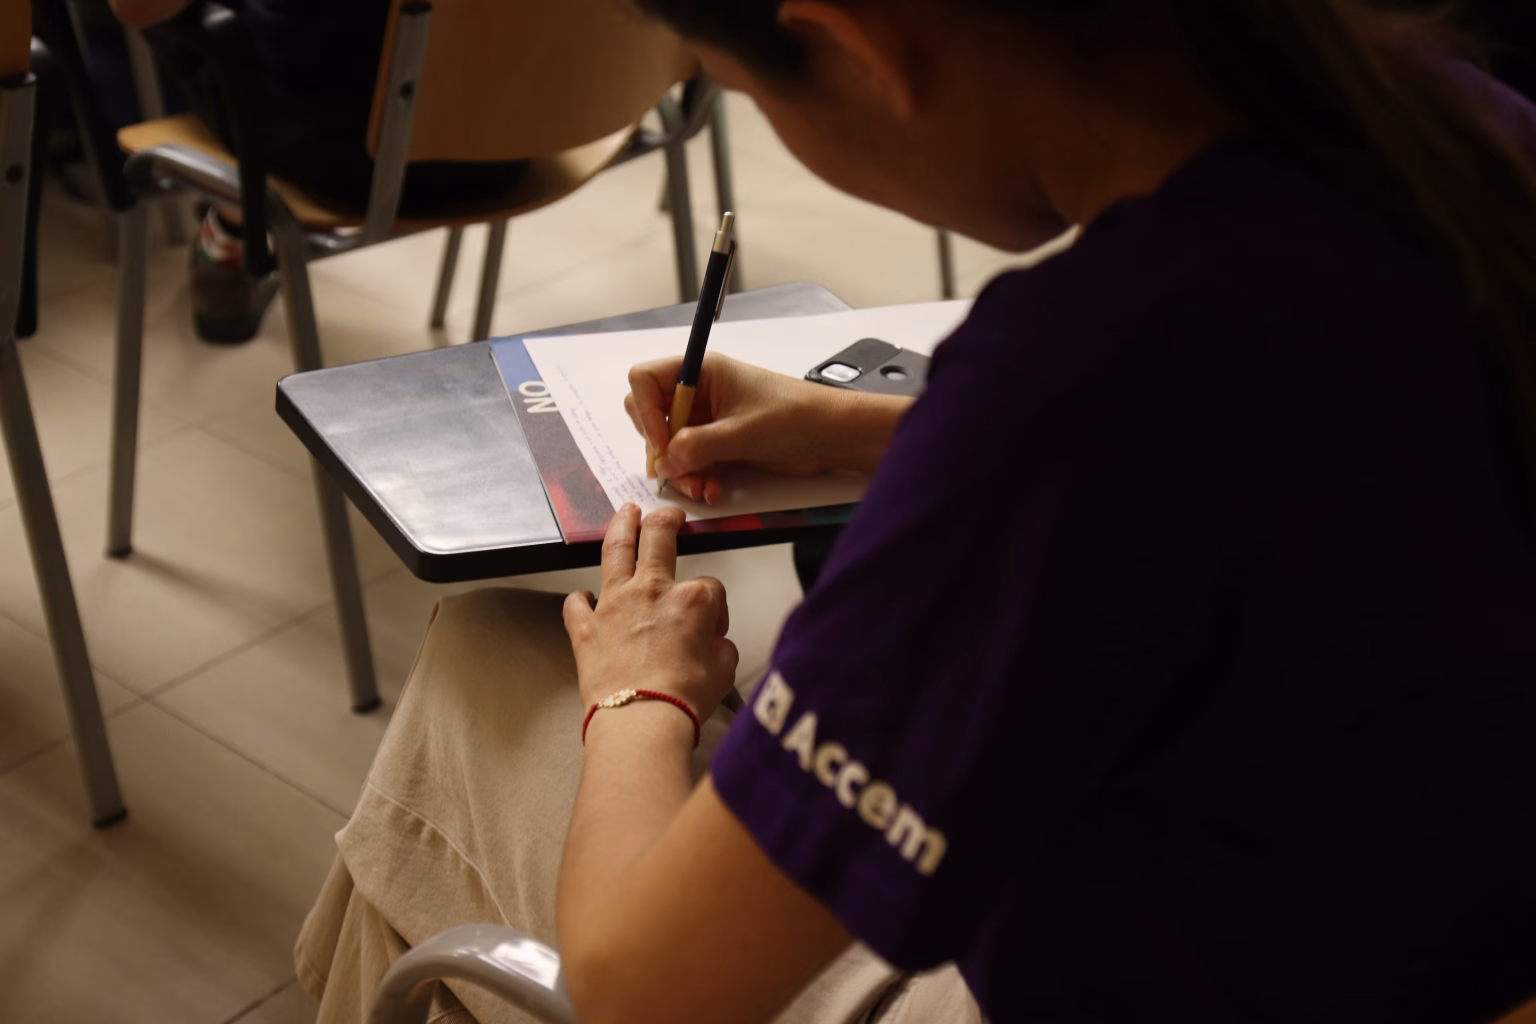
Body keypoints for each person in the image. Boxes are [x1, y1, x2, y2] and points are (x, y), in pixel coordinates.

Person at [297, 1, 1536, 1022]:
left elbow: (640, 992)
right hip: (1432, 943)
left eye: (762, 100)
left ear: (859, 44)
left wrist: (638, 692)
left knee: (480, 665)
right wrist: (868, 428)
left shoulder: (1068, 394)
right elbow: (1274, 455)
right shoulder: (1450, 123)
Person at [107, 0, 527, 342]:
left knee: (182, 20)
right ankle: (233, 222)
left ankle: (234, 219)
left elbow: (135, 9)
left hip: (351, 166)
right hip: (519, 140)